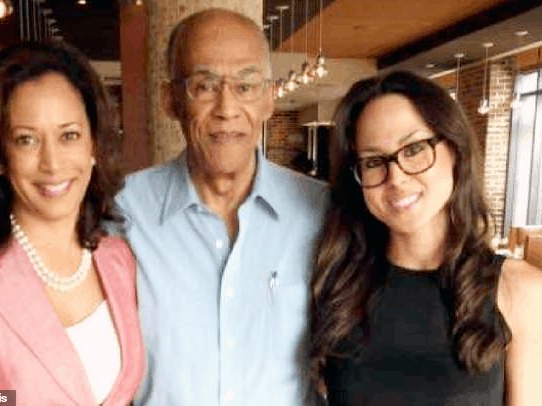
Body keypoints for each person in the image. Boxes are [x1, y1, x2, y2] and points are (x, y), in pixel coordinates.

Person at [113, 8, 329, 406]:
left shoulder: (321, 212)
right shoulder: (123, 213)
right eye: (205, 85)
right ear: (170, 100)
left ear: (268, 99)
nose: (227, 108)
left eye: (246, 86)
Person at [0, 41, 144, 405]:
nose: (52, 162)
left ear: (94, 145)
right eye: (26, 140)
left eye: (69, 135)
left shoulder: (116, 258)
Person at [309, 70, 542, 405]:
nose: (397, 177)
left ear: (455, 149)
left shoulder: (519, 291)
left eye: (414, 148)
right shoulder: (337, 283)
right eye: (374, 161)